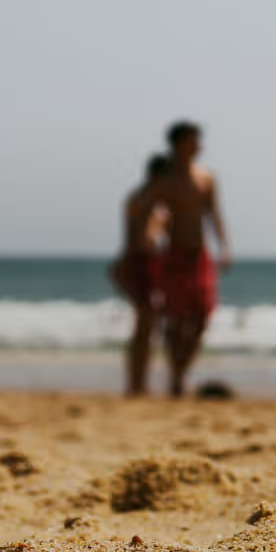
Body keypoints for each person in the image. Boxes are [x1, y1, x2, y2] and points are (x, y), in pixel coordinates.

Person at [142, 121, 232, 397]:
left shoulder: (206, 178)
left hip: (200, 256)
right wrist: (151, 234)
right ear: (178, 143)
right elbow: (156, 212)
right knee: (176, 319)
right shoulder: (165, 179)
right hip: (174, 255)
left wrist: (224, 246)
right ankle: (177, 377)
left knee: (203, 314)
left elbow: (214, 214)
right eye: (193, 140)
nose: (199, 146)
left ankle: (180, 372)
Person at [111, 153, 170, 396]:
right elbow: (147, 239)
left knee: (144, 326)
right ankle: (137, 383)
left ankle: (136, 382)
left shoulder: (137, 198)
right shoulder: (152, 203)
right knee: (145, 326)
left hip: (134, 263)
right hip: (141, 264)